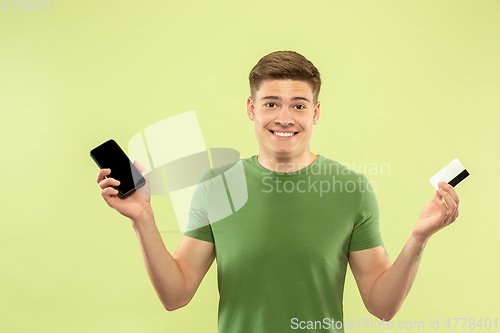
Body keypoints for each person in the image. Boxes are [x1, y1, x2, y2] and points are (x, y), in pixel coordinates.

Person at [95, 51, 460, 332]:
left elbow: (382, 306)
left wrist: (418, 238)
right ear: (252, 109)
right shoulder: (216, 186)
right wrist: (143, 218)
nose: (284, 117)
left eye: (298, 105)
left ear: (315, 113)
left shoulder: (353, 190)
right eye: (271, 103)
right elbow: (175, 295)